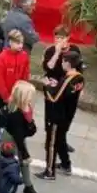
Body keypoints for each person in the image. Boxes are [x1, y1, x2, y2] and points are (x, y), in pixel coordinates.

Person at [0, 81, 43, 193]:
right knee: (7, 163)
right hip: (10, 139)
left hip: (17, 138)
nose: (32, 98)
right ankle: (0, 187)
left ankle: (28, 187)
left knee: (23, 162)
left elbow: (29, 132)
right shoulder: (14, 112)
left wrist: (29, 118)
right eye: (30, 95)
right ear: (23, 97)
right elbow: (26, 133)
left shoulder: (24, 109)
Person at [37, 50, 83, 180]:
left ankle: (49, 171)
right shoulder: (79, 78)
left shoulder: (68, 79)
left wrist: (47, 86)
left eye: (63, 61)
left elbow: (55, 97)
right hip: (68, 114)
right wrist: (56, 85)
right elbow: (65, 92)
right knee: (61, 139)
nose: (61, 63)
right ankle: (65, 164)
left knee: (51, 143)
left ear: (68, 63)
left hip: (58, 115)